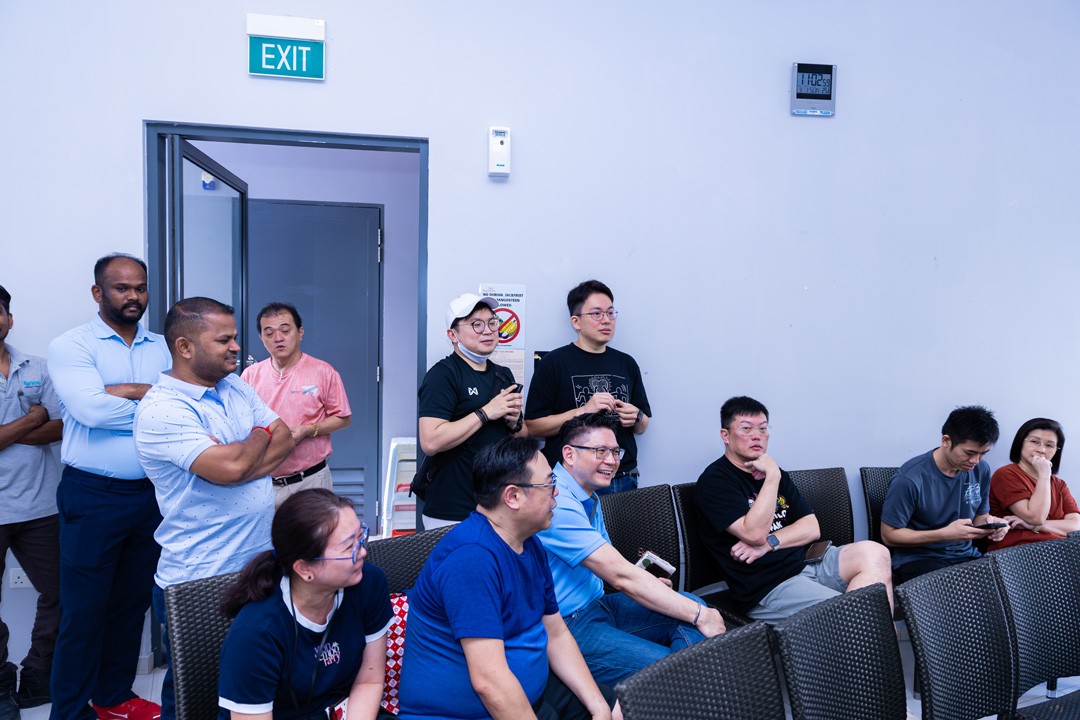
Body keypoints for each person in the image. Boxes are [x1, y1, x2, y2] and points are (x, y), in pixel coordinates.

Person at [134, 297, 294, 720]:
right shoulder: (162, 409)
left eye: (235, 337)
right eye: (224, 340)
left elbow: (285, 436)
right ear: (185, 347)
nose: (236, 347)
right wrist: (256, 438)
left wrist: (243, 456)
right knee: (198, 698)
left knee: (255, 684)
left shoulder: (234, 385)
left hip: (259, 565)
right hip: (202, 576)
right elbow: (232, 466)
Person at [398, 436, 619, 720]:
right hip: (467, 714)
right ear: (513, 496)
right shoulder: (472, 559)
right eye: (549, 484)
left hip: (533, 694)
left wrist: (598, 706)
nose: (557, 493)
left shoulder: (530, 542)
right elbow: (489, 682)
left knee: (614, 708)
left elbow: (556, 633)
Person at [47, 253, 172, 720]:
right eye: (122, 288)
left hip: (152, 495)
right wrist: (154, 398)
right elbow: (92, 411)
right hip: (93, 495)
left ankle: (114, 697)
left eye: (140, 287)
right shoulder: (71, 345)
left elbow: (190, 404)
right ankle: (70, 712)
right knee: (83, 612)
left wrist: (125, 390)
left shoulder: (164, 347)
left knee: (130, 605)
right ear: (98, 292)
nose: (133, 296)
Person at [537, 412, 724, 685]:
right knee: (676, 651)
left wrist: (652, 587)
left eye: (615, 452)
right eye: (600, 451)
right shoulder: (558, 502)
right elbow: (619, 576)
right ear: (569, 454)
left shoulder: (589, 496)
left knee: (692, 605)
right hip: (568, 624)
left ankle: (687, 681)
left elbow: (614, 567)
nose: (612, 461)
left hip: (600, 604)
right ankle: (687, 681)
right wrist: (699, 615)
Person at [695, 396, 893, 622]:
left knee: (875, 553)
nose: (757, 435)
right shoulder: (716, 481)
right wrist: (772, 477)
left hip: (808, 562)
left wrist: (769, 543)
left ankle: (868, 630)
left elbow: (811, 528)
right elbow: (754, 533)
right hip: (770, 585)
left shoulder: (773, 470)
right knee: (854, 612)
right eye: (746, 428)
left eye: (763, 428)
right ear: (725, 435)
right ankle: (870, 631)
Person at [218, 489, 392, 720]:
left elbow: (369, 681)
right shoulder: (256, 634)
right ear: (304, 569)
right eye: (348, 547)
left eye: (360, 537)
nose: (362, 552)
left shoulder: (369, 584)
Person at [0, 285, 63, 717]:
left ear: (9, 318)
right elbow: (44, 419)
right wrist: (33, 416)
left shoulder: (36, 366)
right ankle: (0, 683)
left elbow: (61, 427)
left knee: (62, 591)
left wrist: (13, 431)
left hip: (42, 506)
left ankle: (38, 674)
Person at [525, 281, 650, 496]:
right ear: (576, 321)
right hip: (572, 480)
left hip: (622, 476)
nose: (606, 320)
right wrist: (583, 411)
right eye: (596, 313)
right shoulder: (553, 363)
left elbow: (643, 425)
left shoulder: (627, 363)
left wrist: (636, 416)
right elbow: (533, 427)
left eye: (610, 313)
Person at [416, 293, 524, 529]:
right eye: (476, 324)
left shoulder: (503, 375)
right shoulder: (442, 375)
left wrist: (514, 422)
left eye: (492, 323)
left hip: (498, 505)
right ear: (452, 335)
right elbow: (431, 441)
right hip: (452, 508)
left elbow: (520, 435)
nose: (488, 331)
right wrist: (486, 412)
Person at [881, 405, 1009, 583]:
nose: (975, 461)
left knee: (1005, 587)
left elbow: (980, 517)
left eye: (983, 454)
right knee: (954, 594)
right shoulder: (909, 479)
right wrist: (945, 534)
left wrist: (993, 525)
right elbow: (888, 535)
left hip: (965, 555)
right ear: (946, 441)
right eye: (969, 453)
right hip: (919, 559)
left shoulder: (981, 469)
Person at [241, 302, 352, 507]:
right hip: (262, 483)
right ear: (261, 338)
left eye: (285, 330)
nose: (278, 338)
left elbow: (343, 418)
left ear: (300, 333)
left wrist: (309, 430)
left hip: (310, 481)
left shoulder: (323, 372)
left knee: (314, 529)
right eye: (269, 333)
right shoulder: (250, 375)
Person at [988, 418, 1080, 549]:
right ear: (1021, 443)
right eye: (1034, 442)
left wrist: (1035, 526)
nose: (1041, 450)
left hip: (1060, 550)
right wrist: (1044, 474)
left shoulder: (1060, 484)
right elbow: (1035, 517)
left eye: (1049, 445)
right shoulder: (1006, 474)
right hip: (1021, 552)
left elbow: (1076, 527)